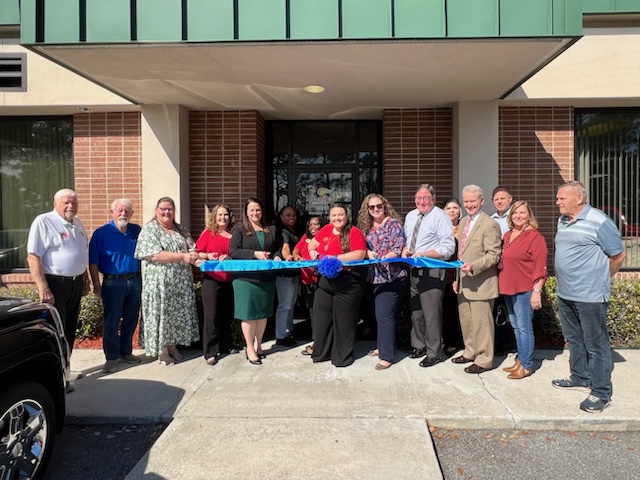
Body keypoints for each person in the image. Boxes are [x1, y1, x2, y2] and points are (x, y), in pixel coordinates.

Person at [552, 181, 625, 413]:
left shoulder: (599, 221)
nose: (557, 202)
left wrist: (602, 278)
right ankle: (580, 377)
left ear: (579, 198)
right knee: (574, 339)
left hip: (590, 295)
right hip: (566, 293)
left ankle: (601, 392)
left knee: (596, 344)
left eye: (562, 198)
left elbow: (618, 254)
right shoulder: (562, 221)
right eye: (557, 198)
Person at [134, 197, 200, 366]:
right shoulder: (150, 230)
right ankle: (162, 352)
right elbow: (155, 254)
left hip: (180, 283)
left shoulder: (181, 230)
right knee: (162, 314)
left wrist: (205, 259)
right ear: (156, 210)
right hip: (159, 283)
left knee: (175, 315)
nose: (166, 212)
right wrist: (184, 256)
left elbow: (192, 250)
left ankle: (172, 347)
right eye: (163, 208)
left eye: (170, 209)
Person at [27, 188, 90, 355]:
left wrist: (85, 279)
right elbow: (33, 257)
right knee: (56, 329)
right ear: (55, 204)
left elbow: (81, 253)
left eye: (74, 202)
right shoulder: (44, 221)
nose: (71, 206)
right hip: (56, 284)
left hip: (75, 283)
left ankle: (66, 368)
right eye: (66, 202)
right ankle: (55, 372)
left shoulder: (77, 222)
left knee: (69, 328)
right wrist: (43, 288)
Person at [401, 184, 455, 368]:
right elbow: (407, 240)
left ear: (433, 199)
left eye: (425, 198)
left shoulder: (440, 216)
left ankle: (434, 352)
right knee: (416, 311)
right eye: (418, 198)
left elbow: (448, 247)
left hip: (431, 269)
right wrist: (405, 249)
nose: (421, 202)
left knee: (431, 313)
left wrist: (425, 254)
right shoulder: (410, 216)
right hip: (414, 269)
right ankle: (419, 345)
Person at [307, 203, 367, 367]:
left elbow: (360, 254)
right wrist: (313, 252)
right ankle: (321, 353)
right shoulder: (325, 229)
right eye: (334, 215)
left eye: (340, 215)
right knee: (322, 320)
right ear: (330, 217)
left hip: (347, 282)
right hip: (325, 282)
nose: (337, 218)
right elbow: (312, 244)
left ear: (346, 217)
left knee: (344, 322)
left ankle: (342, 357)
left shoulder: (354, 232)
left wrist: (335, 258)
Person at [452, 185, 502, 374]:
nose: (469, 205)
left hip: (481, 282)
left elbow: (494, 254)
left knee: (483, 324)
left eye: (473, 201)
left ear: (482, 201)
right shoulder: (464, 221)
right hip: (464, 282)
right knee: (467, 321)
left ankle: (484, 359)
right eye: (466, 201)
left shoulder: (489, 224)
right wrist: (457, 279)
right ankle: (470, 351)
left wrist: (474, 265)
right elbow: (460, 254)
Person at [89, 198, 142, 374]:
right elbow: (93, 262)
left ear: (132, 213)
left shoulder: (136, 231)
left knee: (131, 318)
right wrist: (97, 285)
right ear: (112, 212)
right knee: (111, 321)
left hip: (134, 280)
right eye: (119, 210)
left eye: (127, 211)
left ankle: (125, 352)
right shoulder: (101, 233)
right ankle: (111, 357)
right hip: (112, 282)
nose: (123, 214)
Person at [230, 198, 283, 365]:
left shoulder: (271, 229)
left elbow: (278, 248)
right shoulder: (239, 229)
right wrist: (255, 254)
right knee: (248, 314)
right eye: (252, 210)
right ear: (246, 212)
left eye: (258, 210)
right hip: (246, 278)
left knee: (262, 313)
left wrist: (277, 256)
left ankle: (259, 344)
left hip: (266, 277)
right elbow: (234, 251)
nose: (255, 213)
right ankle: (250, 348)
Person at [498, 200, 548, 379]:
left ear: (529, 216)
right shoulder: (507, 235)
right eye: (515, 213)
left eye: (522, 213)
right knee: (516, 327)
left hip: (525, 288)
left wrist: (537, 291)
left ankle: (527, 365)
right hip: (508, 288)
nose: (518, 216)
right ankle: (520, 359)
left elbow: (540, 267)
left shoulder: (535, 237)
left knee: (525, 327)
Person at [357, 194, 407, 370]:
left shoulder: (393, 224)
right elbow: (363, 247)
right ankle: (383, 346)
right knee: (380, 315)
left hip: (392, 277)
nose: (376, 209)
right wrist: (369, 254)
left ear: (384, 206)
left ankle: (387, 356)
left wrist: (388, 256)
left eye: (379, 206)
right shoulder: (367, 227)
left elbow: (398, 248)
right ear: (367, 210)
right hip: (373, 278)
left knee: (384, 315)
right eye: (372, 207)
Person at [195, 204, 238, 366]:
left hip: (230, 279)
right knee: (211, 316)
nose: (223, 218)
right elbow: (196, 252)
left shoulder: (234, 234)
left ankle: (225, 346)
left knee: (227, 314)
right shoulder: (208, 233)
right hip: (211, 279)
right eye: (219, 215)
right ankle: (210, 352)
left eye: (225, 215)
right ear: (214, 217)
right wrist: (207, 255)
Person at [292, 215, 325, 356]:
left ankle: (320, 344)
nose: (312, 227)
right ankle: (316, 342)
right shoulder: (305, 238)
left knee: (320, 313)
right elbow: (295, 250)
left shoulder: (325, 238)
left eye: (316, 224)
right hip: (307, 281)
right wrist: (296, 257)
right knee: (312, 312)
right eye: (310, 224)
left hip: (321, 281)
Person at [274, 205, 300, 347]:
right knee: (285, 305)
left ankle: (289, 329)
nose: (291, 218)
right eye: (288, 215)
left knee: (291, 303)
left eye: (294, 215)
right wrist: (288, 257)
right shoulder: (283, 232)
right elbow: (285, 248)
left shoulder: (293, 231)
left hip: (294, 274)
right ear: (281, 217)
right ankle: (280, 335)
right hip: (285, 274)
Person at [441, 197, 464, 354]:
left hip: (459, 275)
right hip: (441, 275)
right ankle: (447, 340)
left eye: (455, 208)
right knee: (444, 311)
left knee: (457, 311)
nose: (452, 211)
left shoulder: (465, 227)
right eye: (449, 208)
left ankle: (457, 341)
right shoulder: (440, 228)